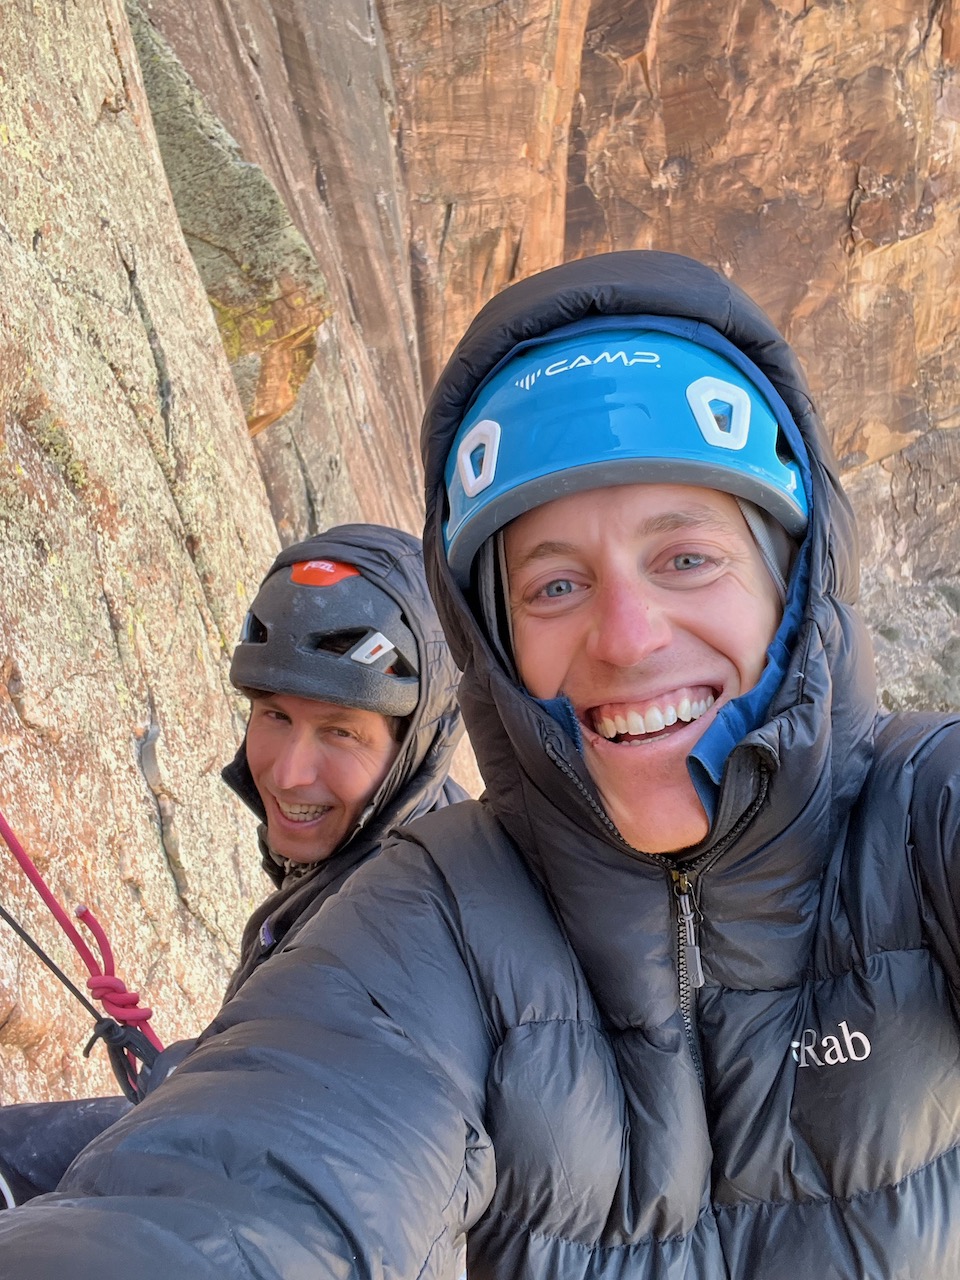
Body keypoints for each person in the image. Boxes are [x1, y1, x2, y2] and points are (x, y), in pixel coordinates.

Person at [0, 249, 958, 1279]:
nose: (628, 636)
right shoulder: (438, 913)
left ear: (793, 579)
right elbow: (256, 1174)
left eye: (687, 556)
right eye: (553, 585)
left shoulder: (921, 822)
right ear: (496, 643)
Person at [0, 522, 465, 1205]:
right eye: (273, 714)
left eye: (339, 730)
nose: (287, 771)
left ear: (411, 747)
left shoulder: (407, 933)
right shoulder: (382, 837)